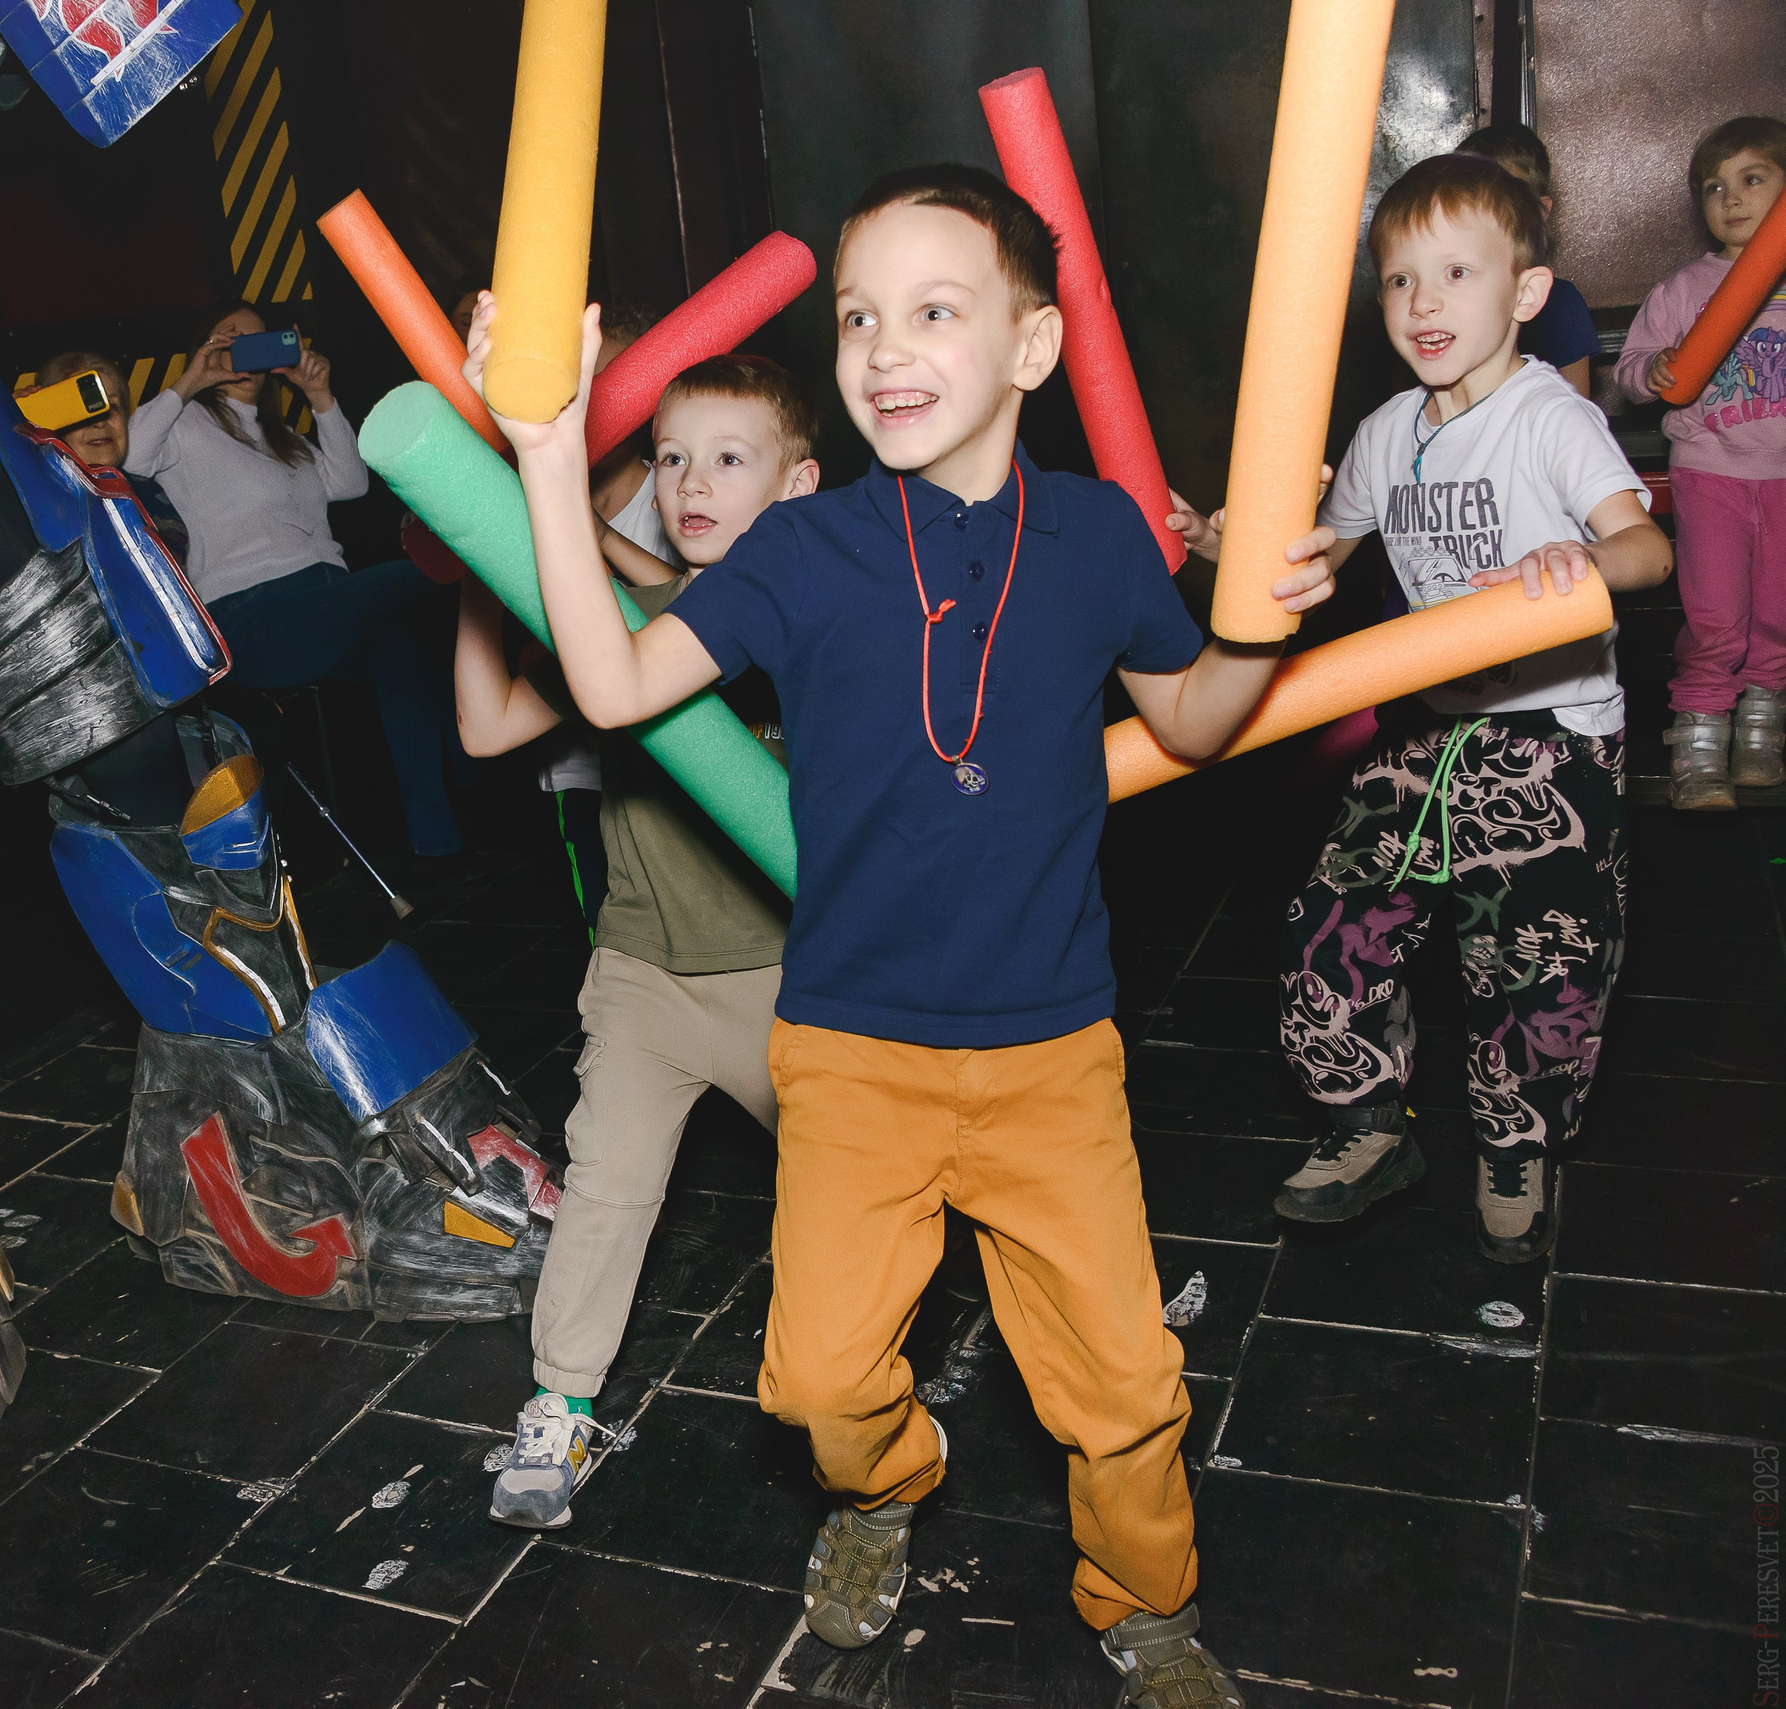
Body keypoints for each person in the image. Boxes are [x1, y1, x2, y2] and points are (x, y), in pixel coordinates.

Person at [470, 163, 1341, 1703]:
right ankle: (886, 1488)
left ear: (1030, 347)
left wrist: (1262, 623)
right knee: (813, 1385)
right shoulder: (799, 557)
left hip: (1053, 1051)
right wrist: (547, 458)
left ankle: (1145, 1600)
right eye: (862, 316)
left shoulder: (1095, 538)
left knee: (1126, 1390)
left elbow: (1197, 722)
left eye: (935, 311)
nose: (884, 349)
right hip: (854, 1054)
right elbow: (607, 691)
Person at [1176, 154, 1670, 1263]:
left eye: (1456, 272)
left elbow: (1645, 547)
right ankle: (1363, 1123)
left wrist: (1580, 554)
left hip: (1550, 741)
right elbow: (1326, 546)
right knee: (1332, 923)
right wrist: (1220, 540)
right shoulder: (1387, 429)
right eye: (1400, 281)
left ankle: (1515, 1143)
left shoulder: (1549, 418)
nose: (1426, 303)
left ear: (1525, 293)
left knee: (1535, 963)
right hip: (1424, 731)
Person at [458, 354, 815, 1530]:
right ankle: (559, 1403)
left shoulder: (817, 622)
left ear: (798, 486)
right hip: (642, 972)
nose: (688, 480)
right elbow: (488, 723)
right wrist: (480, 550)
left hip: (790, 976)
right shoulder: (627, 629)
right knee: (605, 1188)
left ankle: (1065, 1308)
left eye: (726, 458)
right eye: (668, 458)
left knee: (888, 1180)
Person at [125, 302, 464, 856]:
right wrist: (190, 380)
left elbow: (352, 483)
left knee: (409, 653)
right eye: (227, 336)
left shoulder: (285, 440)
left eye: (257, 341)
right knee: (411, 580)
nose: (240, 346)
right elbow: (132, 455)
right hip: (255, 618)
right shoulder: (184, 427)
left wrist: (321, 396)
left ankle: (439, 845)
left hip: (330, 605)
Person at [1614, 115, 1786, 808]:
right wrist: (1651, 368)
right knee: (1715, 613)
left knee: (1779, 611)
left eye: (1753, 179)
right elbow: (1628, 372)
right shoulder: (1686, 289)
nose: (1732, 199)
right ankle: (1699, 739)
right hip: (1710, 468)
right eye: (1714, 187)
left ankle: (1762, 729)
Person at [535, 299, 678, 930]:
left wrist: (601, 541)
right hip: (587, 770)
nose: (608, 410)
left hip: (679, 760)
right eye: (592, 390)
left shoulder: (683, 496)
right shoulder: (539, 513)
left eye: (628, 389)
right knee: (611, 933)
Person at [1462, 123, 1602, 395]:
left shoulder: (1561, 304)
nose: (1492, 217)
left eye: (1509, 200)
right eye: (1474, 202)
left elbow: (1577, 410)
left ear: (1542, 210)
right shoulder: (1442, 299)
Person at [25, 349, 191, 563]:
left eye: (111, 407)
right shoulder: (33, 500)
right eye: (85, 411)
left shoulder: (146, 493)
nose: (100, 422)